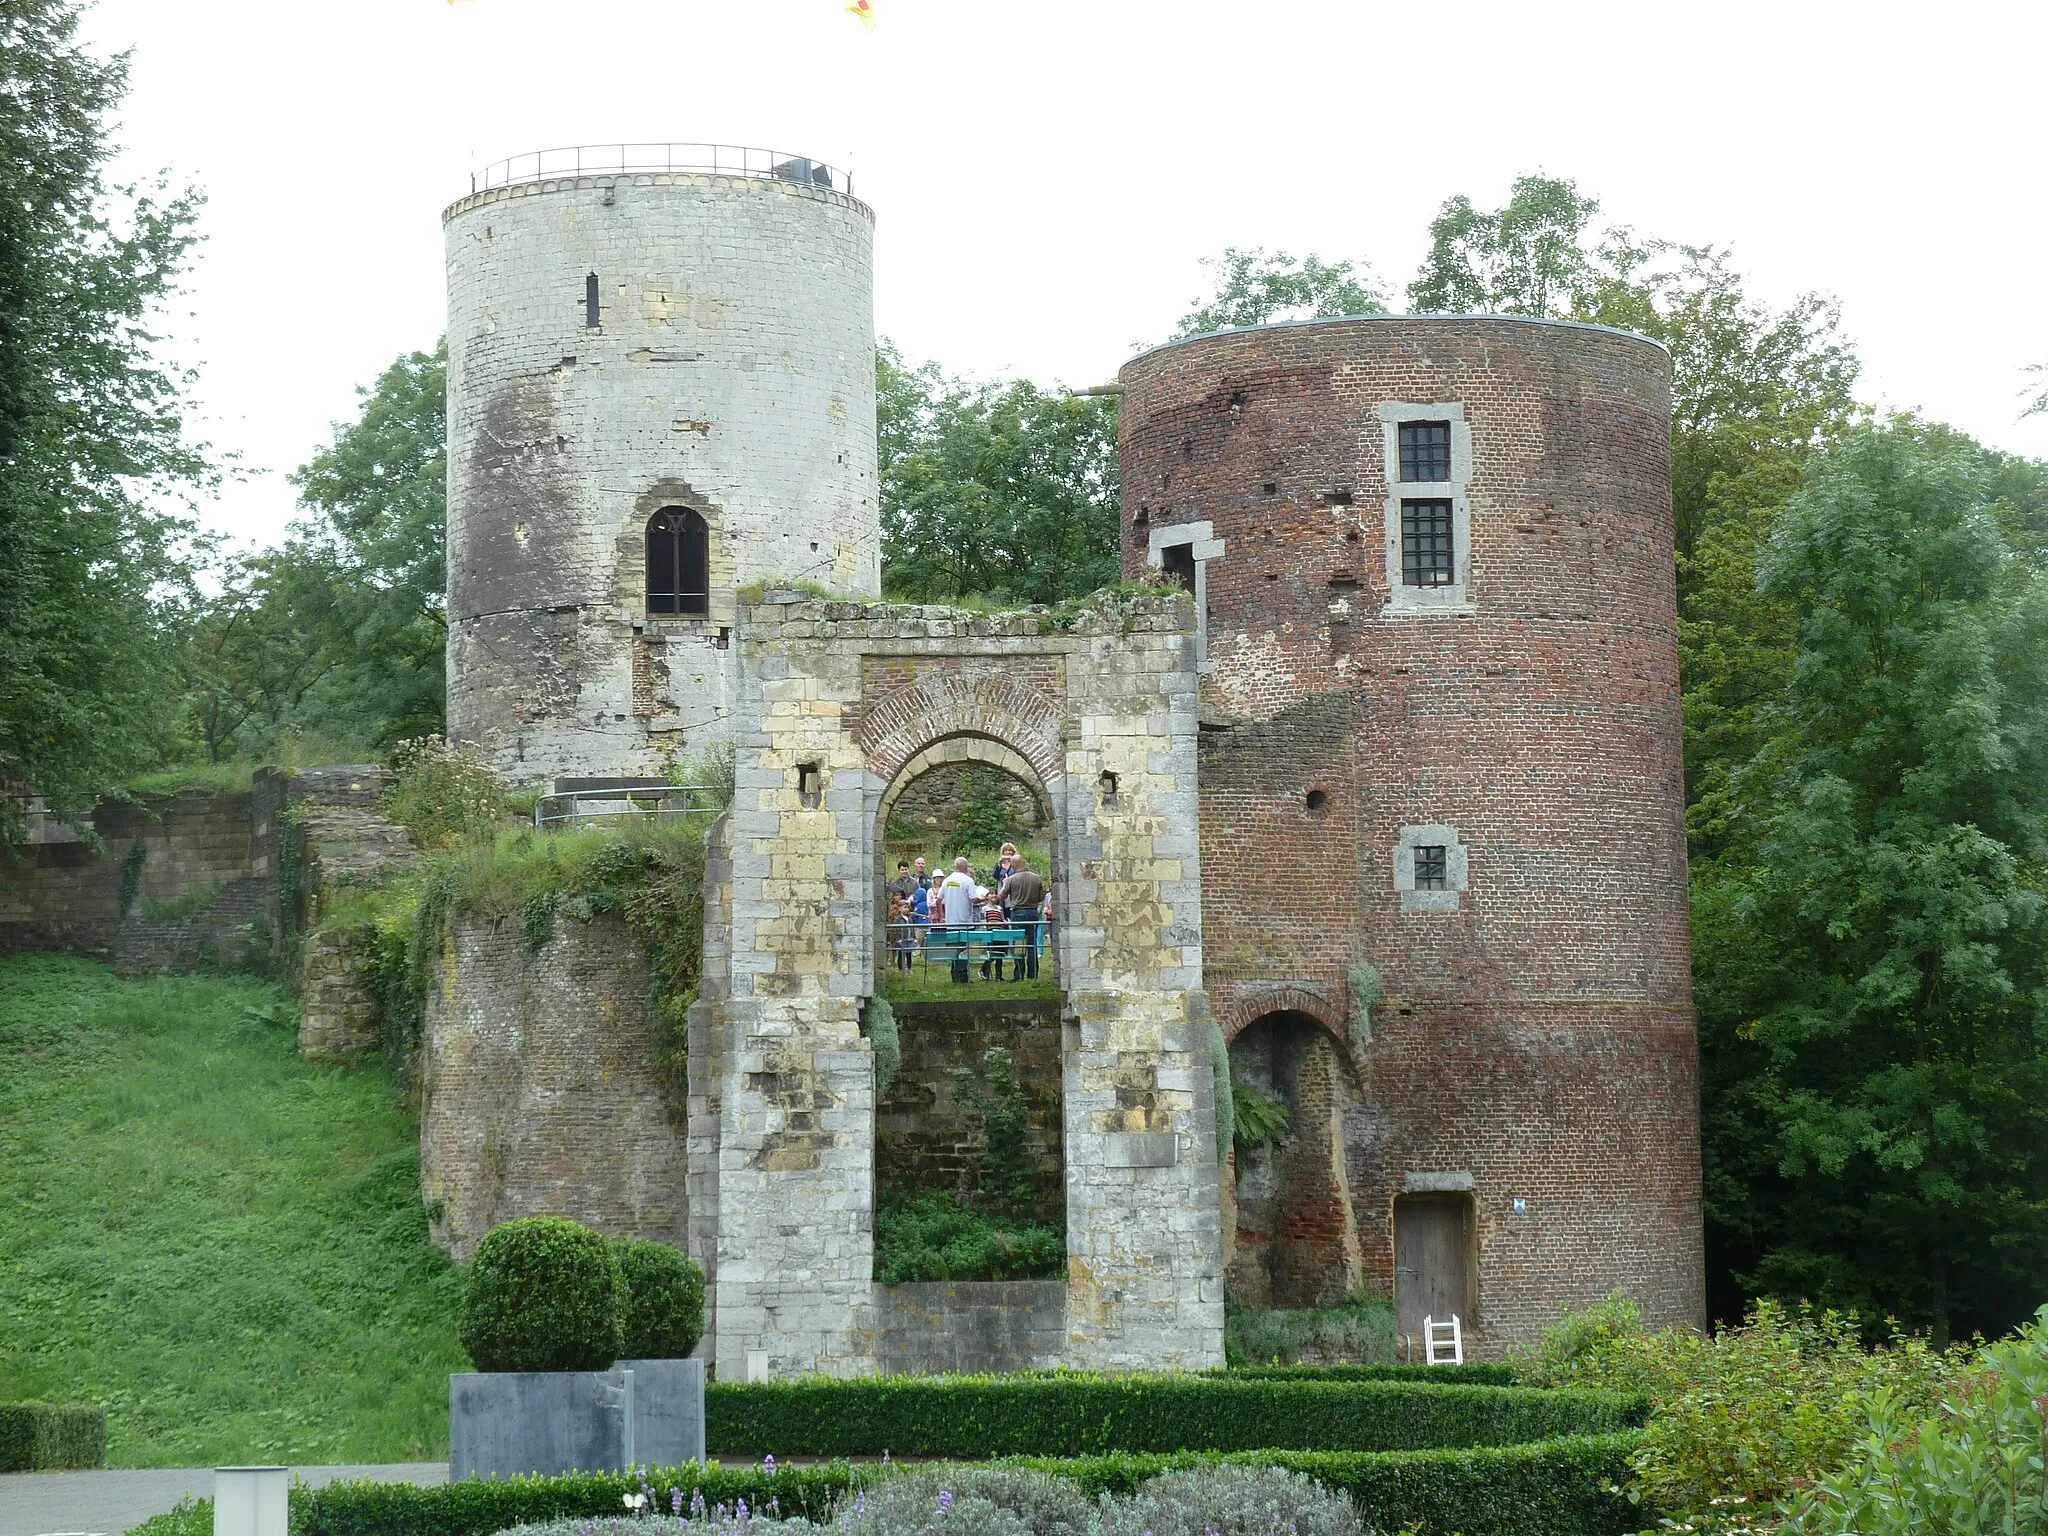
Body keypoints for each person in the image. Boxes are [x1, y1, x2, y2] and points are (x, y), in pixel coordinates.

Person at [997, 857, 1047, 981]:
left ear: (1013, 865)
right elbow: (1041, 896)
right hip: (1033, 912)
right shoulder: (1036, 878)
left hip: (1018, 912)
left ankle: (1019, 974)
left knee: (1019, 943)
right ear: (1024, 863)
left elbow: (1001, 897)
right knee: (1032, 943)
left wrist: (1005, 884)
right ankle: (1033, 974)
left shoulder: (1011, 879)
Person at [936, 857, 978, 983]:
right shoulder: (968, 880)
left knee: (954, 950)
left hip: (951, 922)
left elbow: (938, 900)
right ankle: (963, 977)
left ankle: (954, 976)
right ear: (966, 867)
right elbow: (973, 900)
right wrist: (982, 898)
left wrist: (942, 916)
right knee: (964, 950)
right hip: (965, 921)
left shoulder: (947, 880)